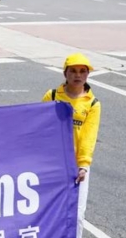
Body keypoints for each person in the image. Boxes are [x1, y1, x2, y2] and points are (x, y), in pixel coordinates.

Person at [42, 53, 101, 238]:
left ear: (87, 75)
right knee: (49, 209)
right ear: (65, 73)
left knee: (77, 214)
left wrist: (83, 165)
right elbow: (40, 127)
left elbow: (88, 137)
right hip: (53, 164)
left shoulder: (92, 103)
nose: (78, 75)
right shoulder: (51, 96)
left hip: (76, 167)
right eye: (73, 71)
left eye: (83, 71)